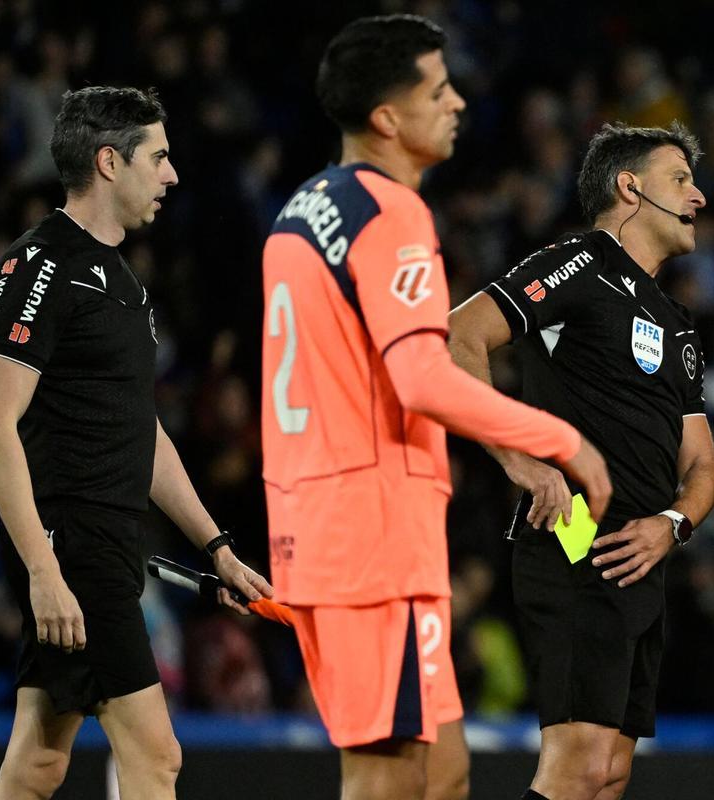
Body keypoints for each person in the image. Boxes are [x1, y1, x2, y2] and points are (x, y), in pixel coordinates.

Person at [260, 15, 611, 800]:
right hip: (372, 536)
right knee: (387, 777)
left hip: (326, 522)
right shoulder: (392, 212)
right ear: (388, 118)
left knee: (444, 772)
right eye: (438, 89)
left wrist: (509, 454)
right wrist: (557, 439)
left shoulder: (304, 211)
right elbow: (420, 376)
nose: (457, 103)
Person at [0, 85, 273, 800]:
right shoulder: (39, 265)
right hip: (70, 550)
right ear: (109, 162)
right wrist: (45, 571)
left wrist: (216, 548)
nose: (171, 175)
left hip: (105, 545)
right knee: (156, 755)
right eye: (158, 157)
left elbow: (142, 431)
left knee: (38, 763)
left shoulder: (125, 284)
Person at [449, 121, 714, 800]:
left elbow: (705, 468)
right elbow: (460, 335)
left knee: (610, 775)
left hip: (644, 557)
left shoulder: (676, 319)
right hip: (576, 543)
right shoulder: (579, 261)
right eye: (680, 179)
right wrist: (520, 459)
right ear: (630, 187)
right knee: (578, 767)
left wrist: (674, 525)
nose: (699, 198)